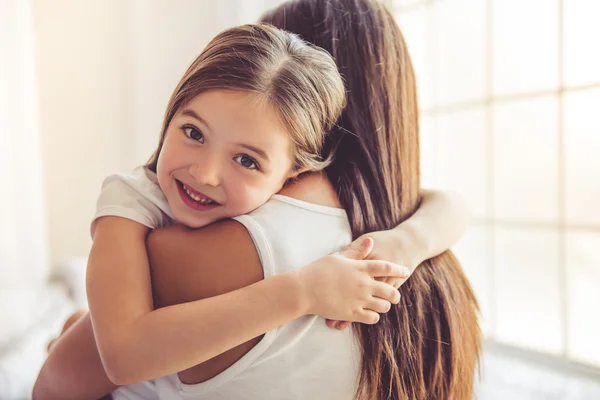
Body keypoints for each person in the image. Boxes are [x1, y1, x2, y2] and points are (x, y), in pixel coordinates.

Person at [33, 1, 478, 399]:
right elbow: (114, 357)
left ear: (300, 163)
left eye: (247, 158)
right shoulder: (133, 201)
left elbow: (453, 203)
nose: (206, 173)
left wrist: (403, 244)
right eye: (193, 132)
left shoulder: (373, 234)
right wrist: (303, 290)